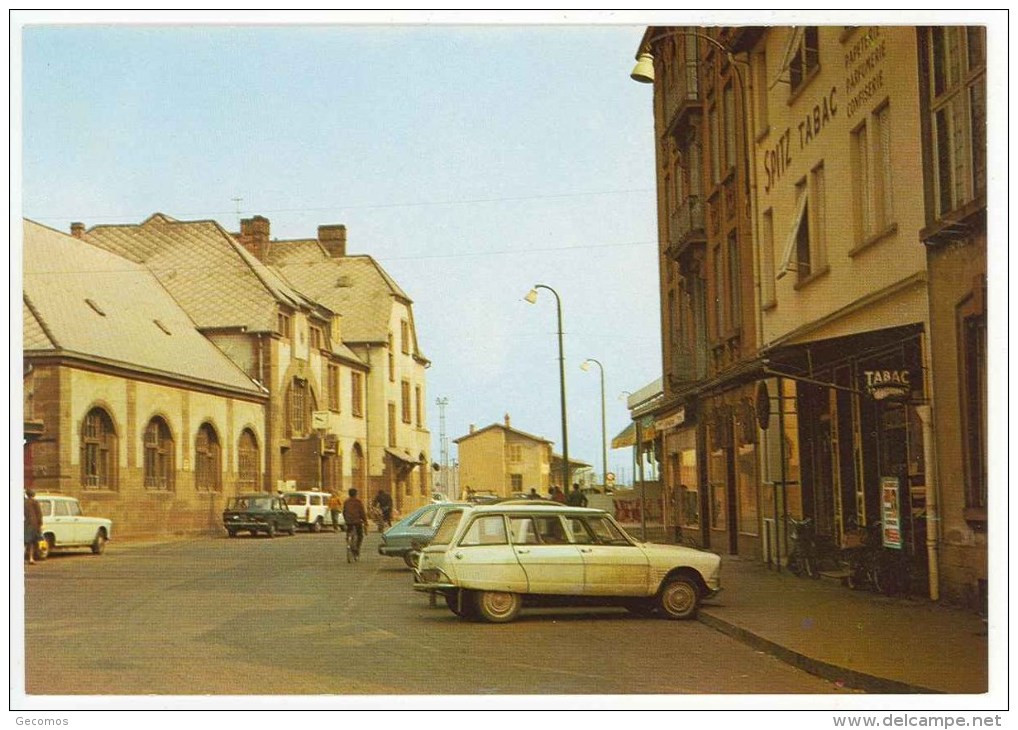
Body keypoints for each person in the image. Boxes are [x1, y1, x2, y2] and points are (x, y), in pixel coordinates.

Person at [342, 488, 368, 558]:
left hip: (348, 521)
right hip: (357, 521)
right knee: (360, 535)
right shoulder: (358, 501)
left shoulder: (346, 502)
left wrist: (346, 519)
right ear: (356, 494)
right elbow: (362, 512)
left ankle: (348, 540)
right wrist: (365, 521)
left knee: (349, 532)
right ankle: (357, 548)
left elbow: (344, 512)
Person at [24, 489, 43, 565]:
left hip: (25, 523)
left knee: (25, 541)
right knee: (32, 542)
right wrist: (40, 524)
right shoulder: (35, 502)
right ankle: (31, 558)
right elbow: (39, 513)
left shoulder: (24, 502)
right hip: (33, 524)